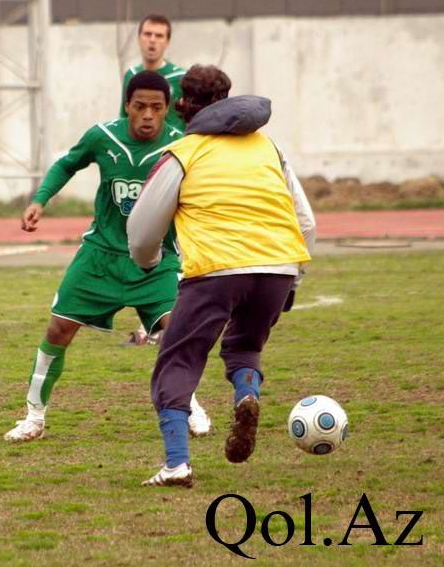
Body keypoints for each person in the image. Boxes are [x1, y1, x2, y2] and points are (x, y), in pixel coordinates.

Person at [128, 64, 316, 487]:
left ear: (182, 105)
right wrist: (293, 278)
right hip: (277, 267)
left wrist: (148, 262)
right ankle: (246, 395)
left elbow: (141, 231)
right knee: (245, 346)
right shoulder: (268, 147)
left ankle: (177, 465)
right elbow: (305, 221)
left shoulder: (183, 152)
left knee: (178, 361)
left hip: (216, 270)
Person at [4, 70, 212, 443]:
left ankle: (189, 403)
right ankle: (34, 417)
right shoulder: (103, 136)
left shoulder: (181, 146)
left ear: (167, 109)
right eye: (140, 106)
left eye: (156, 107)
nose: (148, 115)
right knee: (58, 330)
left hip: (156, 261)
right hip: (99, 256)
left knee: (176, 332)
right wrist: (39, 200)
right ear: (127, 105)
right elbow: (67, 164)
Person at [120, 14, 187, 130]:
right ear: (139, 38)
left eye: (159, 36)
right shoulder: (131, 75)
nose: (152, 40)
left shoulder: (182, 78)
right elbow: (124, 117)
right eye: (147, 34)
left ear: (167, 41)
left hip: (174, 141)